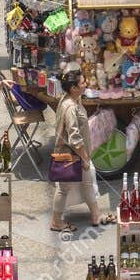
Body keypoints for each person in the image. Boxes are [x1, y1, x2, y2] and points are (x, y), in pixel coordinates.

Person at [48, 70, 107, 233]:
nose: (85, 84)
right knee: (63, 188)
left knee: (87, 182)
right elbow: (74, 137)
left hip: (78, 154)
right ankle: (56, 222)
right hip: (70, 155)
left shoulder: (71, 99)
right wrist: (85, 157)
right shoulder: (70, 107)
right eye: (82, 83)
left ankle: (96, 215)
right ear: (73, 88)